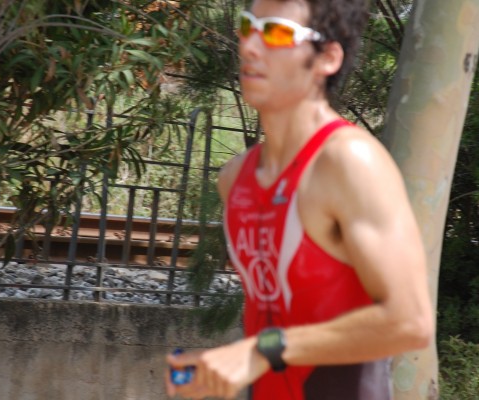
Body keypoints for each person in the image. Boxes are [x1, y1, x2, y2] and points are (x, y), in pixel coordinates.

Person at [166, 0, 434, 398]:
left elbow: (409, 322)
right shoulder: (234, 178)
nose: (250, 46)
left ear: (328, 58)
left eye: (276, 33)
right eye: (247, 26)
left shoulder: (350, 162)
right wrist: (228, 363)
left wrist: (262, 350)